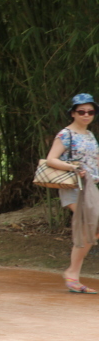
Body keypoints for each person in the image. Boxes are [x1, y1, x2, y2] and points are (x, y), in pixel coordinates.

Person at [44, 93, 99, 294]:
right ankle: (72, 273)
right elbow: (51, 159)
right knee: (92, 225)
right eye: (81, 111)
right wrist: (74, 168)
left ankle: (72, 274)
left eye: (90, 112)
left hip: (90, 188)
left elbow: (95, 160)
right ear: (73, 113)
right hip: (73, 188)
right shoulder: (65, 134)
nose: (86, 115)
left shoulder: (90, 135)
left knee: (92, 230)